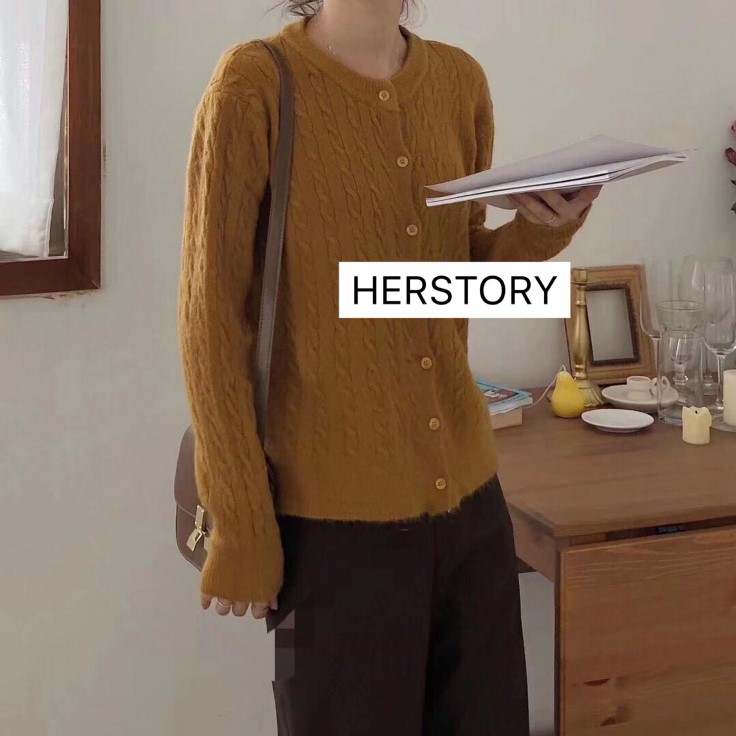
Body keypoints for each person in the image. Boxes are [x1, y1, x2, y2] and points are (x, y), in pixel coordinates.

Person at [178, 0, 600, 733]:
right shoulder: (253, 84)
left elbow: (454, 275)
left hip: (472, 508)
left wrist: (540, 231)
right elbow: (211, 321)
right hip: (331, 529)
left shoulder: (460, 82)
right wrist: (241, 521)